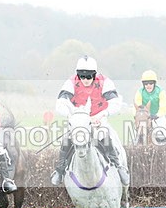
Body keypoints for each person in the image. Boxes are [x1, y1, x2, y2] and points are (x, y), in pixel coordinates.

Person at [51, 55, 130, 186]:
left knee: (104, 134)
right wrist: (72, 116)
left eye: (89, 77)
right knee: (67, 139)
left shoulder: (105, 82)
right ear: (78, 75)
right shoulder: (71, 82)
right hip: (79, 120)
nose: (85, 80)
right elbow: (60, 103)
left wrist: (102, 114)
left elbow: (115, 102)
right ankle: (59, 170)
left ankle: (118, 166)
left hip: (98, 118)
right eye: (82, 76)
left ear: (95, 74)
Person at [133, 69, 166, 143]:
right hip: (144, 117)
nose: (148, 85)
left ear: (154, 83)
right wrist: (139, 116)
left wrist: (157, 115)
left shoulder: (161, 92)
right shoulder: (139, 92)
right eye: (146, 83)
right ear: (143, 84)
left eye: (151, 83)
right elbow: (137, 107)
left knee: (162, 132)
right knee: (135, 134)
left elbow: (164, 107)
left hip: (158, 117)